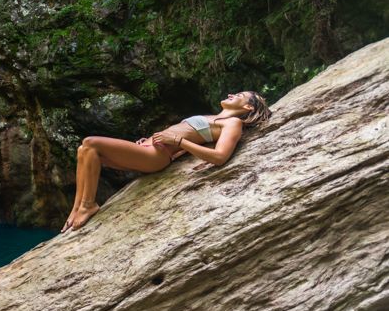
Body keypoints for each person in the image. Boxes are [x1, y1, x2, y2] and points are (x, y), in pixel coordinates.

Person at [62, 91, 272, 232]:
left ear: (247, 108)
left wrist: (178, 141)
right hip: (148, 147)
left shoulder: (233, 122)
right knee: (85, 151)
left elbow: (219, 157)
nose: (231, 94)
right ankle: (77, 208)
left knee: (90, 142)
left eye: (239, 95)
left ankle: (88, 205)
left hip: (157, 155)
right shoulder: (213, 117)